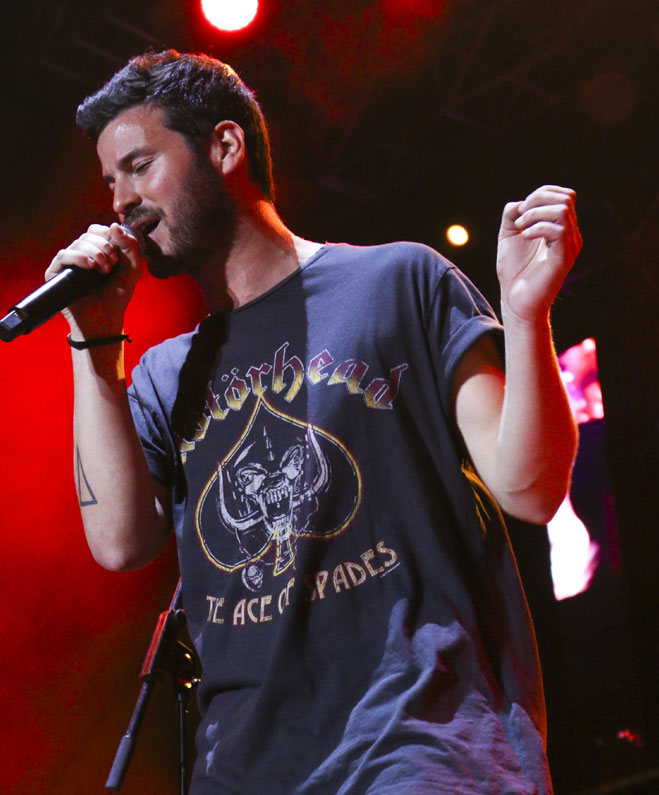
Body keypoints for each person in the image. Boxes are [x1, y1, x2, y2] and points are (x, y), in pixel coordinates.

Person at [46, 50, 581, 794]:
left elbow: (528, 487)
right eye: (109, 182)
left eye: (138, 166)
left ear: (224, 147)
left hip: (417, 747)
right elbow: (117, 542)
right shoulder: (167, 375)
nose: (121, 203)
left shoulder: (398, 282)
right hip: (245, 770)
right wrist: (94, 338)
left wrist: (525, 316)